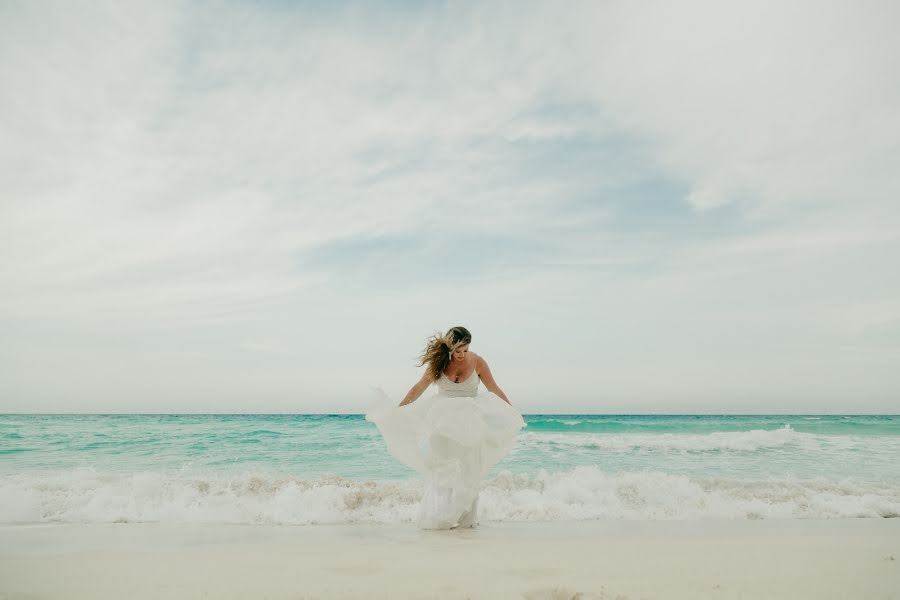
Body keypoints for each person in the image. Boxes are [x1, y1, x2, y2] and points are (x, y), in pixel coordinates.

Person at [365, 326, 527, 530]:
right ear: (450, 347)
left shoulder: (477, 362)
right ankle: (439, 517)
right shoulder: (439, 363)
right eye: (457, 351)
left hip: (469, 424)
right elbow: (418, 388)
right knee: (443, 469)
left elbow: (494, 389)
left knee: (469, 470)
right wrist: (399, 410)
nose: (461, 355)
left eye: (465, 350)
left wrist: (511, 411)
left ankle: (466, 519)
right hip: (441, 423)